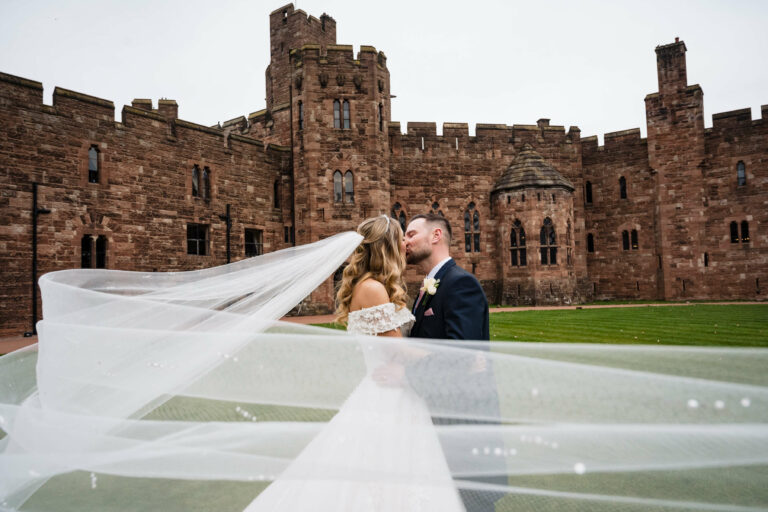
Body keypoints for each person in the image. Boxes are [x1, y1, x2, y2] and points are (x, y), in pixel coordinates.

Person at [242, 215, 466, 511]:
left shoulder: (373, 285)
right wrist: (452, 356)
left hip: (392, 388)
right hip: (388, 394)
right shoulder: (372, 288)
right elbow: (397, 350)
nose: (405, 243)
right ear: (387, 245)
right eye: (401, 237)